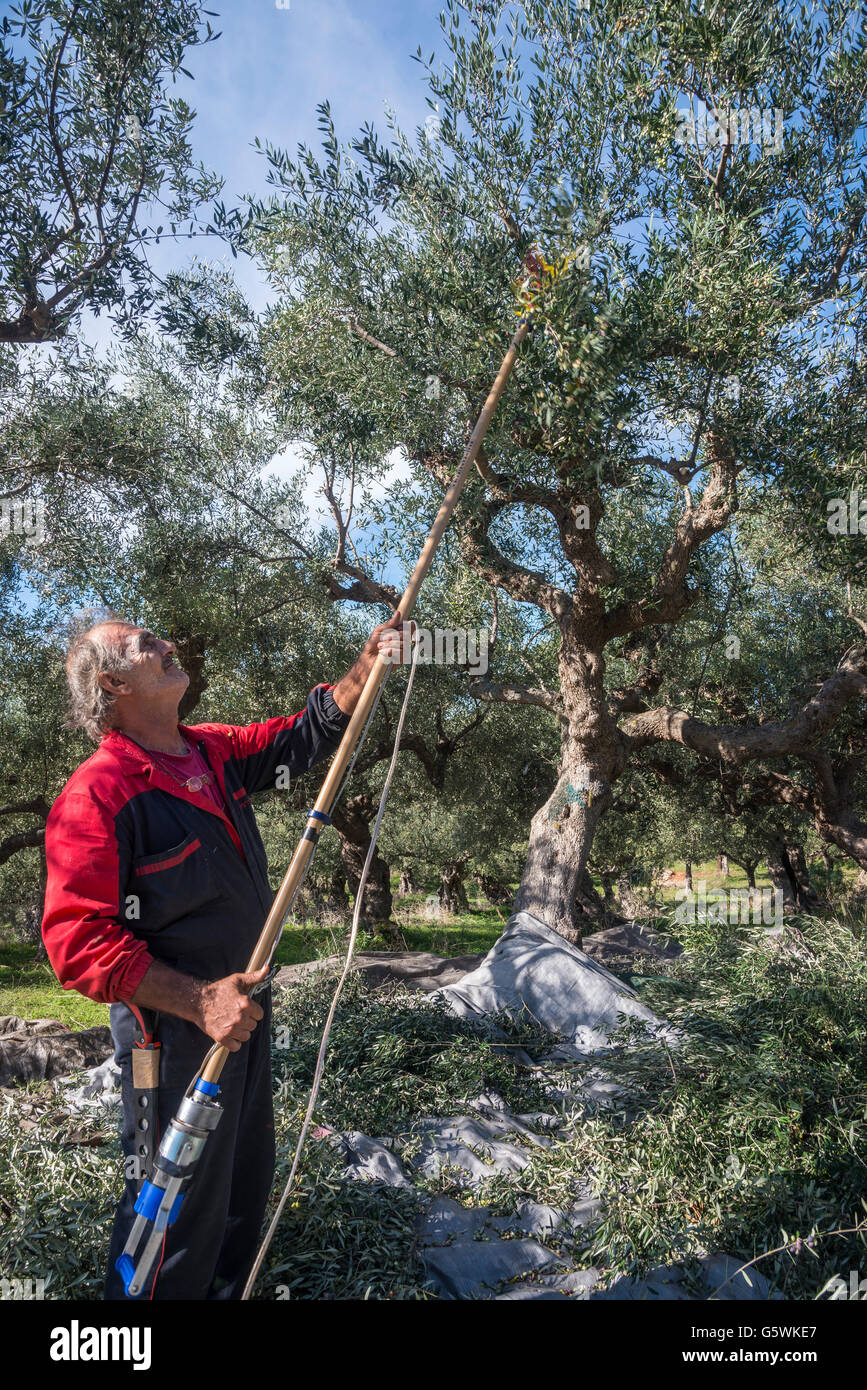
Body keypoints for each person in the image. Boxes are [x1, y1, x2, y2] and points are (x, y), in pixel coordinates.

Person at [42, 611, 405, 1299]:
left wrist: (369, 663)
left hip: (241, 1011)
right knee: (173, 1198)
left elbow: (302, 737)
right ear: (114, 683)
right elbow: (75, 942)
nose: (168, 644)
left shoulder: (207, 753)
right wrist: (198, 1001)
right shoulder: (100, 793)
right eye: (146, 645)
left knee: (242, 1178)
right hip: (173, 1032)